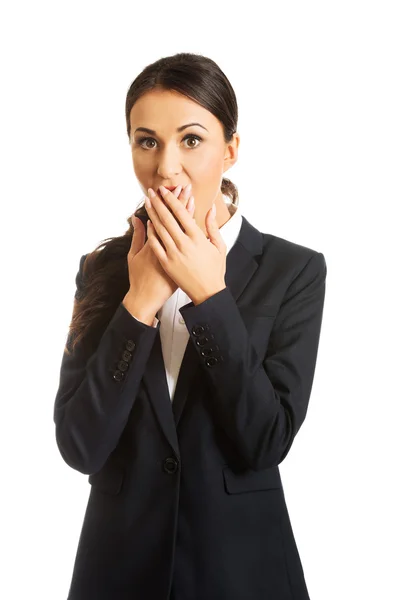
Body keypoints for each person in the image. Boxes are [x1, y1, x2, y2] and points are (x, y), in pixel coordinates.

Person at [53, 52, 327, 600]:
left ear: (231, 150)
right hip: (119, 571)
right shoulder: (102, 271)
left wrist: (210, 296)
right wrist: (140, 302)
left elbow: (265, 440)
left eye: (192, 140)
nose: (167, 167)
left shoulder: (292, 270)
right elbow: (80, 445)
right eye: (147, 140)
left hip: (242, 571)